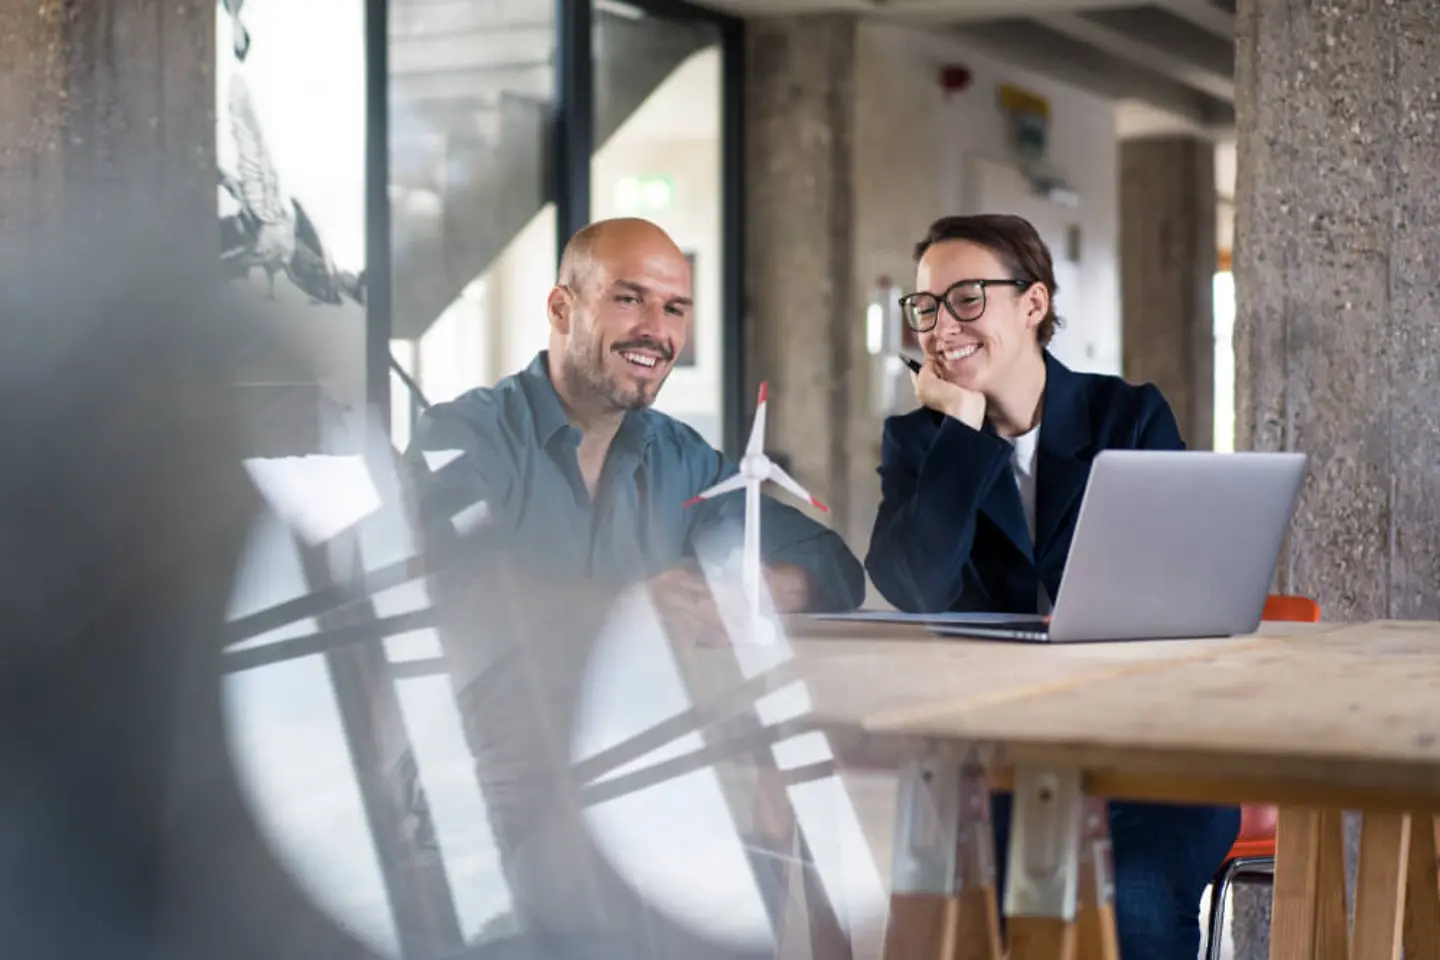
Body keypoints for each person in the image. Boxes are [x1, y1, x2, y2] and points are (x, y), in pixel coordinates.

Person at [402, 216, 864, 956]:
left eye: (674, 308)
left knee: (786, 868)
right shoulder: (464, 436)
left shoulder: (678, 459)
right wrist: (626, 608)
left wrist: (769, 585)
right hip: (491, 790)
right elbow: (454, 585)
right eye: (630, 299)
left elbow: (831, 564)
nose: (656, 329)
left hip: (637, 782)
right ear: (562, 309)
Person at [865, 213, 1239, 959]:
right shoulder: (919, 442)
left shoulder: (1127, 416)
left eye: (967, 299)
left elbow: (1180, 586)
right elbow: (918, 586)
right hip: (989, 766)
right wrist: (962, 432)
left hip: (1143, 752)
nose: (942, 326)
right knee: (970, 918)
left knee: (1132, 910)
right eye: (928, 306)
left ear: (1034, 304)